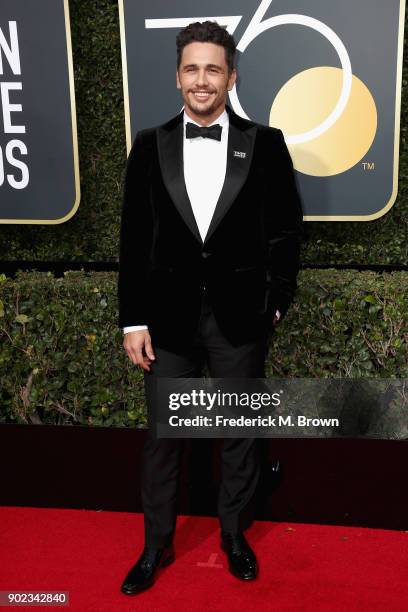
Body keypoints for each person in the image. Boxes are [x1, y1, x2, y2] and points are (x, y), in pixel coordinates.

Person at [117, 20, 303, 595]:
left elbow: (285, 233)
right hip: (167, 319)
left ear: (231, 76)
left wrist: (273, 302)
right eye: (192, 69)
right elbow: (133, 239)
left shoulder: (265, 144)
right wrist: (133, 319)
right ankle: (155, 546)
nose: (203, 80)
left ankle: (233, 536)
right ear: (178, 78)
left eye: (213, 69)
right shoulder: (148, 145)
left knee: (240, 432)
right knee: (164, 437)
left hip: (240, 315)